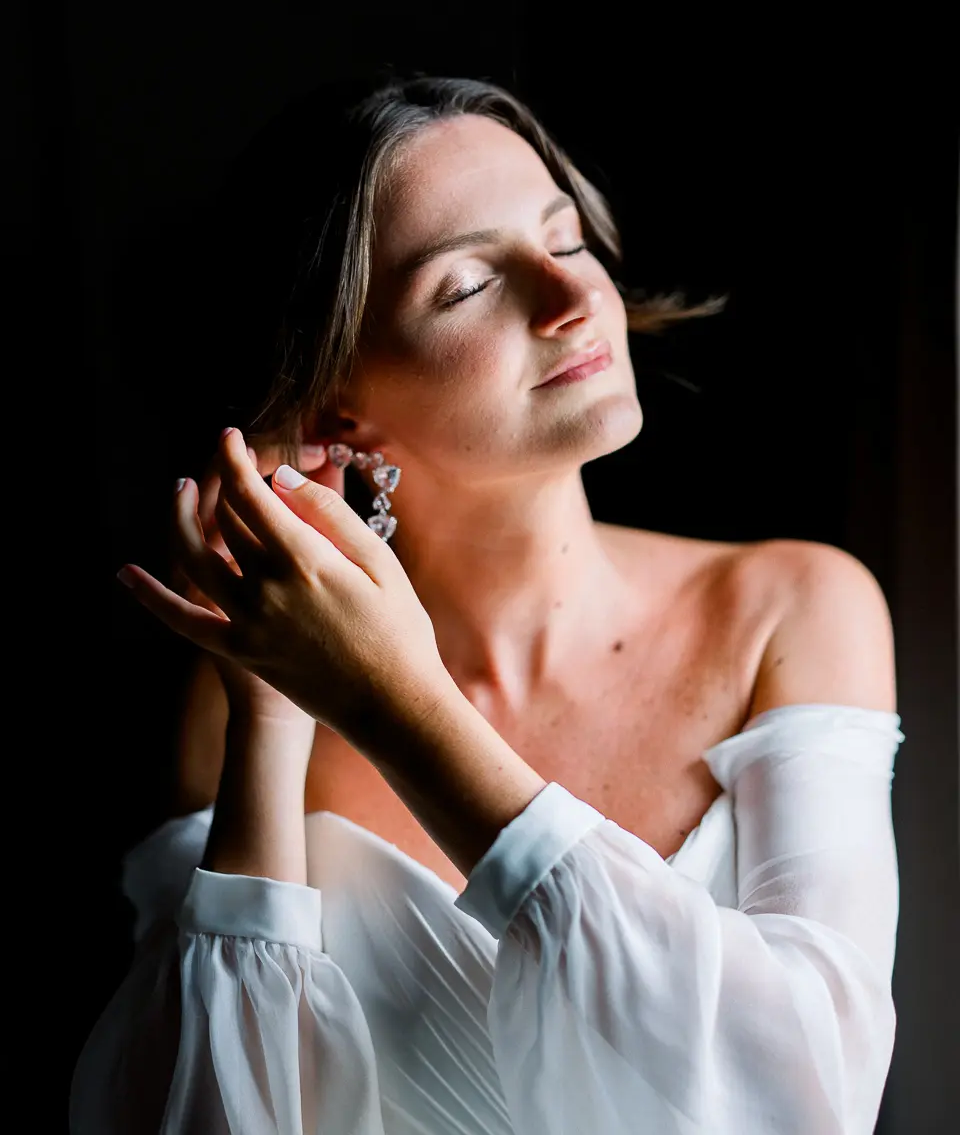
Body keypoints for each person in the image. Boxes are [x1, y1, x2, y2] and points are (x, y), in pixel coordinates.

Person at [71, 75, 904, 1134]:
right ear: (340, 406)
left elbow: (813, 1096)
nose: (571, 297)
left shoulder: (792, 609)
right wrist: (276, 716)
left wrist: (396, 711)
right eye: (467, 286)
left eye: (566, 239)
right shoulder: (235, 706)